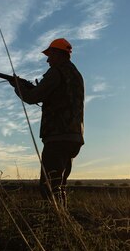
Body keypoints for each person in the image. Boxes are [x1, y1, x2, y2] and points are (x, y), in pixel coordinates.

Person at [10, 38, 84, 207]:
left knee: (48, 187)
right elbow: (55, 95)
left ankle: (55, 224)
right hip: (74, 138)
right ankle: (63, 224)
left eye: (50, 55)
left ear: (59, 54)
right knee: (59, 186)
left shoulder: (56, 72)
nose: (47, 60)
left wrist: (17, 86)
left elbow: (32, 97)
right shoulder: (76, 75)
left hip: (57, 137)